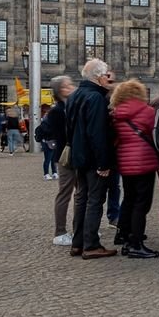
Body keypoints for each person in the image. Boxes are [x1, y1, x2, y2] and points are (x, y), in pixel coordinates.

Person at [65, 58, 117, 259]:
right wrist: (103, 162)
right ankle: (91, 244)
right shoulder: (95, 98)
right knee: (95, 200)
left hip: (79, 156)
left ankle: (77, 243)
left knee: (81, 199)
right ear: (98, 77)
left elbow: (69, 129)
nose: (108, 79)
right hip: (93, 158)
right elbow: (98, 133)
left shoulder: (75, 96)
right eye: (106, 76)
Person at [108, 77, 159, 259]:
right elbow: (154, 133)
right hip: (144, 160)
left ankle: (123, 236)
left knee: (129, 199)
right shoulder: (146, 111)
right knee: (142, 204)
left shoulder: (115, 113)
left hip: (124, 160)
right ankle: (135, 243)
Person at [40, 75, 75, 246]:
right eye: (69, 85)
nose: (72, 87)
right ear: (61, 89)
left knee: (82, 193)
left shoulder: (71, 106)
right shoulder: (57, 111)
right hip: (65, 156)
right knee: (65, 193)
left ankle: (79, 227)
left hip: (76, 154)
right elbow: (61, 135)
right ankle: (60, 231)